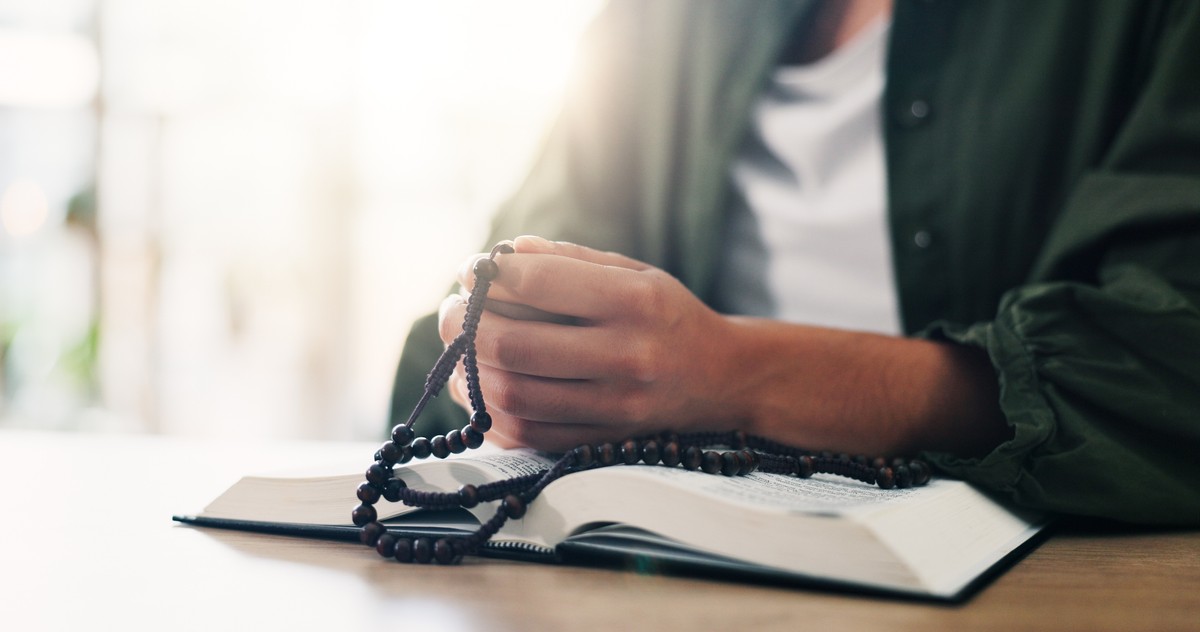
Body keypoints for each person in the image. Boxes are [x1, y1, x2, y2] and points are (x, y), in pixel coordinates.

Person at [391, 0, 1200, 525]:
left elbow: (1163, 368)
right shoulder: (649, 31)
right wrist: (504, 362)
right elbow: (464, 337)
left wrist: (732, 374)